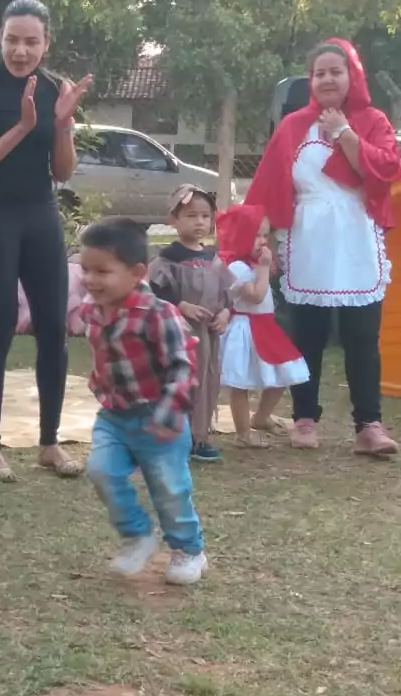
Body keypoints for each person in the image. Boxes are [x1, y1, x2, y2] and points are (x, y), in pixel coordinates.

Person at [0, 0, 94, 481]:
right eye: (12, 39)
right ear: (0, 39)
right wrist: (21, 128)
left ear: (45, 43)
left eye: (30, 41)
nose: (20, 50)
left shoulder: (56, 88)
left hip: (39, 215)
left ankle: (49, 443)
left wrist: (60, 126)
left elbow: (62, 170)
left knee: (54, 329)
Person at [245, 38, 401, 455]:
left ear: (353, 76)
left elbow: (386, 167)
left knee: (362, 337)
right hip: (308, 235)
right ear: (310, 80)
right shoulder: (293, 126)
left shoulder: (372, 120)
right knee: (307, 335)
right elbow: (270, 186)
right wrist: (261, 237)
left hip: (356, 236)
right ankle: (304, 419)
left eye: (336, 71)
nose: (328, 78)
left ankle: (369, 426)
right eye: (320, 73)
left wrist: (344, 133)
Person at [79, 219, 206, 586]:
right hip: (115, 416)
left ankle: (189, 550)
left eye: (102, 271)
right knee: (101, 471)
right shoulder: (92, 309)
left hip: (160, 415)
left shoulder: (159, 314)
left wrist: (169, 413)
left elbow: (183, 364)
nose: (90, 279)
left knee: (169, 489)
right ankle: (137, 536)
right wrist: (98, 382)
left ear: (137, 272)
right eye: (86, 270)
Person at [148, 185, 233, 462]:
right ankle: (173, 436)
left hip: (207, 336)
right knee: (179, 381)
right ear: (174, 219)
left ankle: (199, 437)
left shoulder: (213, 258)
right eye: (191, 215)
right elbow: (152, 292)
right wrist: (181, 305)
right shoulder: (167, 258)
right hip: (178, 335)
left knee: (206, 380)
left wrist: (225, 314)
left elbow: (226, 292)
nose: (199, 222)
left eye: (205, 216)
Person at [217, 205, 310, 448]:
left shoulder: (252, 263)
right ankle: (243, 433)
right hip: (244, 329)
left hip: (265, 327)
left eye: (264, 235)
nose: (262, 241)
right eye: (256, 235)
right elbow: (256, 296)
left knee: (284, 373)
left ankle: (259, 418)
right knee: (240, 385)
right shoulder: (236, 267)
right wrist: (263, 269)